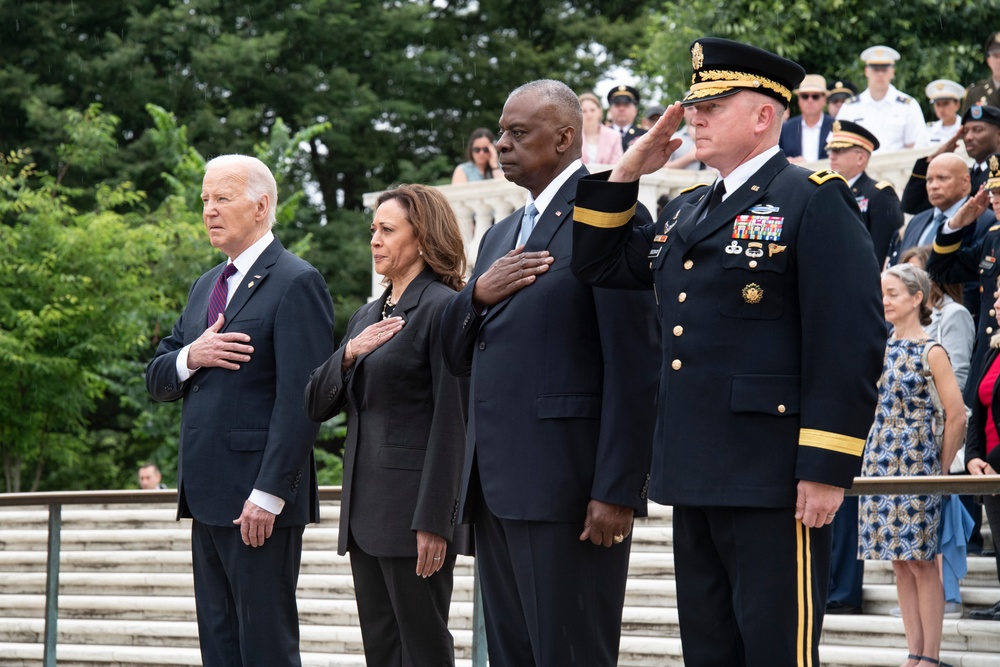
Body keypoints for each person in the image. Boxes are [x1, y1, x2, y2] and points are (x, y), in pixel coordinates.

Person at [572, 37, 886, 665]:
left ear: (764, 114)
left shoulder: (812, 198)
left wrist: (824, 468)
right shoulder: (687, 207)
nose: (694, 116)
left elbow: (849, 340)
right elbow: (600, 263)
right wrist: (628, 170)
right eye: (693, 104)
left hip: (773, 476)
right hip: (695, 471)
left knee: (776, 652)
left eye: (713, 104)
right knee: (710, 652)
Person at [440, 78, 659, 667]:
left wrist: (617, 490)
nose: (502, 145)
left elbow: (636, 365)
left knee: (570, 652)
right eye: (502, 132)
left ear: (564, 138)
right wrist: (476, 298)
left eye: (519, 133)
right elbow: (456, 354)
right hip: (497, 488)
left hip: (569, 491)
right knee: (512, 655)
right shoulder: (498, 236)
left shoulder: (610, 216)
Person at [145, 154, 335, 667]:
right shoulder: (205, 286)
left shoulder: (297, 281)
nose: (208, 210)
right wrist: (192, 356)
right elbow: (158, 377)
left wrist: (270, 493)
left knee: (265, 646)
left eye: (222, 198)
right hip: (206, 496)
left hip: (258, 503)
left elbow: (304, 401)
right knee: (220, 646)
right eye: (205, 199)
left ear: (261, 205)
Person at [303, 184, 470, 666]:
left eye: (387, 230)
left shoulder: (442, 307)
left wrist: (436, 521)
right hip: (364, 512)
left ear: (422, 239)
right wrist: (350, 352)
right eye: (372, 229)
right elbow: (315, 402)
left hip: (414, 513)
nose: (374, 239)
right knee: (381, 648)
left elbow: (452, 421)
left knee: (422, 645)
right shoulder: (367, 315)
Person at [859, 263, 965, 667]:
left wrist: (938, 469)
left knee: (922, 562)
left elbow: (956, 415)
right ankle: (913, 653)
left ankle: (931, 657)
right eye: (883, 293)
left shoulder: (931, 349)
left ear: (917, 298)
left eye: (893, 294)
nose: (884, 301)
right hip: (879, 458)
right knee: (898, 562)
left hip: (918, 460)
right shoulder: (880, 345)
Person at [965, 273, 1000, 621]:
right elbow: (978, 409)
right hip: (989, 469)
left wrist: (992, 460)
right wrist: (974, 456)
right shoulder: (995, 349)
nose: (996, 302)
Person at [825, 119, 903, 265]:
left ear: (861, 158)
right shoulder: (829, 193)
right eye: (830, 150)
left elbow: (880, 251)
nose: (832, 156)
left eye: (839, 150)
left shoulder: (880, 194)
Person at [900, 104, 1000, 216]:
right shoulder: (965, 174)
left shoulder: (995, 175)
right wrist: (935, 158)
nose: (968, 137)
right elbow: (911, 206)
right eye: (965, 131)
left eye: (977, 130)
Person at [836, 45, 928, 152]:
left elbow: (917, 146)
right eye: (875, 69)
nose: (880, 74)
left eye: (884, 69)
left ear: (892, 72)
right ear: (867, 71)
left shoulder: (908, 106)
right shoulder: (850, 107)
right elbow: (837, 144)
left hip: (899, 167)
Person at [779, 73, 835, 163]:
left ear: (824, 100)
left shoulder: (836, 127)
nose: (810, 100)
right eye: (805, 96)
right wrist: (786, 162)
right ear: (799, 100)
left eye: (815, 96)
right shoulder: (786, 129)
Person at [578, 92, 624, 166]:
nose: (589, 115)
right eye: (584, 111)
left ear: (599, 111)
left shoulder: (614, 136)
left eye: (592, 110)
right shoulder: (573, 137)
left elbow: (616, 165)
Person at [961, 32, 1000, 114]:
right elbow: (967, 126)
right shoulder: (975, 93)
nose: (999, 61)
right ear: (989, 61)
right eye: (996, 56)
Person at [606, 84, 646, 151]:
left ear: (635, 111)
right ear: (610, 111)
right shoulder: (600, 135)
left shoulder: (644, 135)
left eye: (626, 105)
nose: (621, 109)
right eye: (617, 105)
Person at [925, 80, 965, 145]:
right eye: (938, 104)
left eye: (945, 104)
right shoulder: (929, 130)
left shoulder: (965, 128)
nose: (941, 109)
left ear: (957, 105)